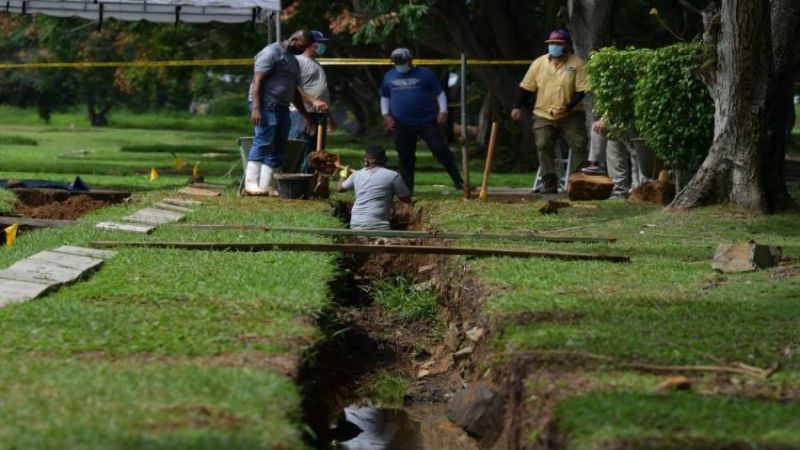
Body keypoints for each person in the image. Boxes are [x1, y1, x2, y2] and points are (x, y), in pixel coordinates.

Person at [245, 29, 328, 196]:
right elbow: (257, 81)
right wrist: (256, 108)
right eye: (301, 46)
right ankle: (251, 184)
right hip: (266, 105)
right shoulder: (271, 52)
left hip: (283, 106)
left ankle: (266, 185)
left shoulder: (293, 61)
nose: (302, 50)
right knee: (263, 141)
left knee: (279, 146)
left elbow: (295, 92)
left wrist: (305, 114)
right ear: (293, 39)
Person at [511, 28, 588, 193]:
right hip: (543, 113)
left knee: (579, 144)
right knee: (543, 144)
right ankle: (549, 182)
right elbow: (527, 87)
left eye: (558, 44)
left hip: (571, 113)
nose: (554, 46)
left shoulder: (577, 63)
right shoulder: (539, 63)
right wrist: (516, 106)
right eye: (552, 43)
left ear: (566, 45)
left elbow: (582, 90)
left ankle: (578, 182)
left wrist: (567, 106)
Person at [379, 47, 464, 193]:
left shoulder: (426, 73)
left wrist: (443, 111)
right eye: (396, 63)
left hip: (427, 121)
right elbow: (385, 96)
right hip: (402, 122)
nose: (399, 65)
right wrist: (386, 115)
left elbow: (439, 92)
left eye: (402, 62)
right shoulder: (389, 75)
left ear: (410, 61)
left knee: (440, 149)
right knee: (405, 156)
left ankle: (459, 181)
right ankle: (407, 189)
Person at [288, 30, 337, 172]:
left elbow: (322, 95)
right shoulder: (298, 61)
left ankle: (307, 183)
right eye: (320, 43)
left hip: (319, 115)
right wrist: (313, 101)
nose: (322, 46)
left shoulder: (316, 63)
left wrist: (329, 116)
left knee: (315, 155)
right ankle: (289, 181)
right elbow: (293, 87)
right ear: (310, 44)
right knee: (296, 150)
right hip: (301, 114)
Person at [337, 145, 412, 230]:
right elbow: (407, 199)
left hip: (356, 224)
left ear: (366, 161)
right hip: (379, 225)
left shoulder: (356, 175)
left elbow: (340, 188)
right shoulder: (393, 175)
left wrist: (343, 176)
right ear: (386, 159)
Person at [591, 118, 656, 198]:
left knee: (635, 151)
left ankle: (640, 188)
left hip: (630, 118)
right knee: (613, 146)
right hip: (615, 120)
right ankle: (618, 190)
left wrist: (605, 119)